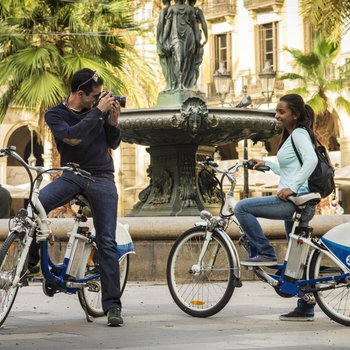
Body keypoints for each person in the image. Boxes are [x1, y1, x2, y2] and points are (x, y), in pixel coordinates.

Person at [28, 68, 123, 327]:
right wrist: (98, 112)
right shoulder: (55, 114)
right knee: (35, 206)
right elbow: (72, 137)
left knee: (106, 240)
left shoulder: (99, 112)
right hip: (71, 174)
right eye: (94, 96)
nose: (99, 99)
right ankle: (34, 262)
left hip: (102, 176)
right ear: (79, 94)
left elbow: (112, 144)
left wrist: (113, 124)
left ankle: (113, 306)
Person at [235, 94, 319, 321]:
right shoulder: (294, 135)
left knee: (242, 208)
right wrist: (268, 164)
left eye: (282, 112)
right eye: (277, 111)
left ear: (295, 115)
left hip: (294, 200)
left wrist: (292, 187)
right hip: (300, 199)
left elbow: (311, 161)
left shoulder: (299, 134)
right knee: (296, 259)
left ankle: (265, 252)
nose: (277, 115)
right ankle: (305, 306)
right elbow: (292, 169)